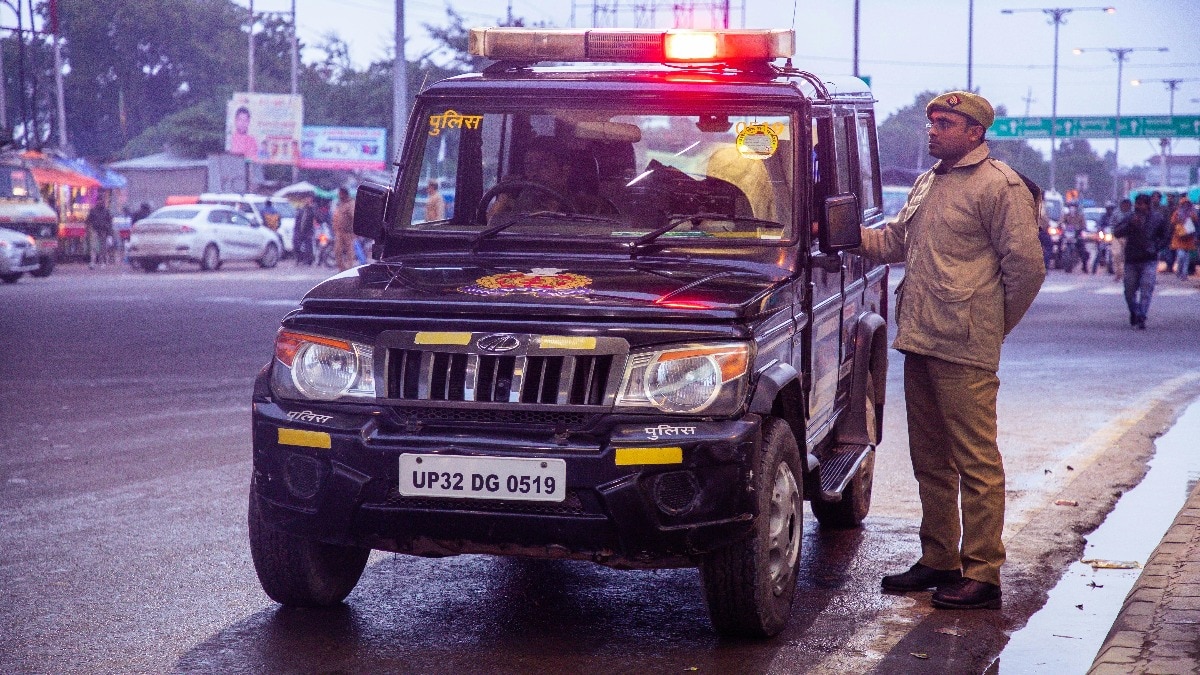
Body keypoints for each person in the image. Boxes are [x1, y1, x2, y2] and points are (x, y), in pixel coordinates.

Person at [857, 91, 1046, 610]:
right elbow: (897, 242)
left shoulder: (1000, 186)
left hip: (964, 345)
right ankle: (939, 558)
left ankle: (982, 572)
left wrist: (992, 325)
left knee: (975, 461)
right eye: (931, 121)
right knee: (930, 459)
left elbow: (1027, 268)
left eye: (945, 122)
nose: (933, 130)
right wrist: (843, 234)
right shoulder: (929, 181)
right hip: (921, 337)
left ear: (975, 133)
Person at [1114, 194, 1171, 329]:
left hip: (1149, 259)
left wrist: (1155, 247)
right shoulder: (1129, 218)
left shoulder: (1158, 218)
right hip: (1132, 259)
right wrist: (1130, 225)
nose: (1139, 207)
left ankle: (1142, 315)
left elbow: (1165, 236)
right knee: (1129, 290)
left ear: (1148, 205)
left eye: (1142, 204)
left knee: (1147, 287)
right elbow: (1117, 232)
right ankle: (1134, 311)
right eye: (1137, 204)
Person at [1169, 197, 1196, 281]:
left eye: (1187, 204)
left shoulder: (1192, 213)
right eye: (1184, 204)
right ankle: (1179, 271)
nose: (1185, 206)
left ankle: (1184, 274)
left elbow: (1196, 222)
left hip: (1189, 238)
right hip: (1179, 238)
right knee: (1181, 256)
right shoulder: (1177, 213)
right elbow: (1172, 222)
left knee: (1186, 258)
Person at [332, 187, 356, 271]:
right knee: (337, 251)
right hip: (339, 231)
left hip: (348, 232)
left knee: (349, 251)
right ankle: (341, 268)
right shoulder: (340, 204)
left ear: (344, 194)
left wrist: (354, 231)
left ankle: (349, 267)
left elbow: (354, 217)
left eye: (340, 193)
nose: (339, 195)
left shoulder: (351, 203)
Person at [85, 196, 114, 269]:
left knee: (103, 248)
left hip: (103, 231)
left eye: (101, 200)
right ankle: (93, 262)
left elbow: (110, 222)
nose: (99, 202)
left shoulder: (106, 211)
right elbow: (88, 220)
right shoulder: (93, 210)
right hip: (94, 230)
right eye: (98, 200)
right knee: (94, 247)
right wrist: (88, 229)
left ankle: (103, 262)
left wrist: (110, 234)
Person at [1110, 199, 1132, 282]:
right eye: (1124, 204)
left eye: (1127, 204)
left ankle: (1124, 274)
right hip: (1117, 237)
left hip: (1128, 237)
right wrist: (1113, 232)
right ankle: (1117, 274)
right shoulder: (1116, 213)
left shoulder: (1132, 214)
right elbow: (1111, 224)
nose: (1125, 206)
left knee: (1126, 257)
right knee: (1116, 255)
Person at [293, 194, 316, 266]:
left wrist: (311, 207)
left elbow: (317, 217)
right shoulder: (301, 209)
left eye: (308, 199)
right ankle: (299, 259)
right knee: (297, 245)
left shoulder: (312, 209)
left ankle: (309, 261)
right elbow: (297, 220)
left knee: (308, 247)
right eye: (306, 199)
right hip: (299, 230)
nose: (307, 201)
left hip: (308, 231)